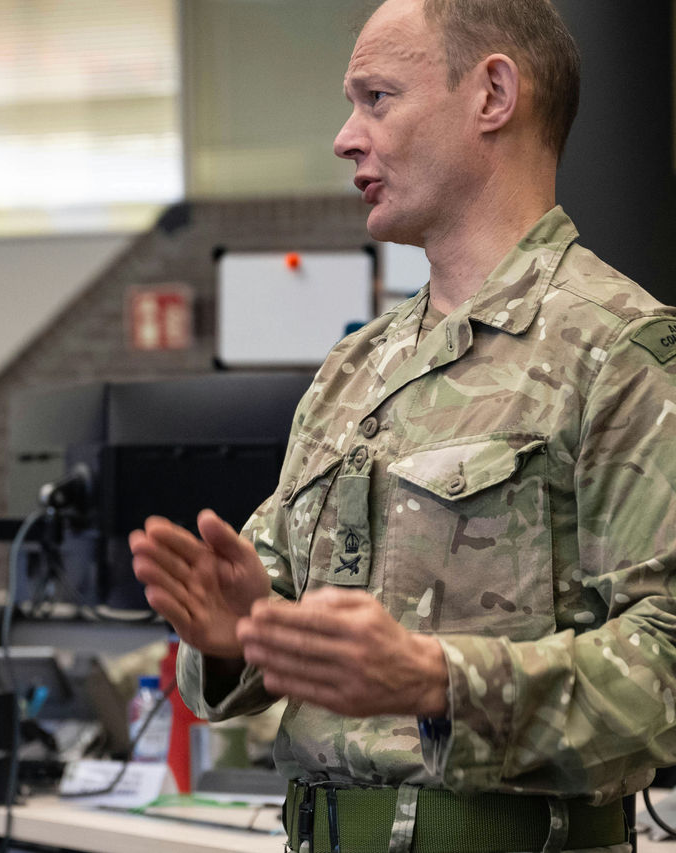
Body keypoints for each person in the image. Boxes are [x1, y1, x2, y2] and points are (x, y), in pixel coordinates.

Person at [130, 1, 676, 850]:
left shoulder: (619, 347)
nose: (347, 137)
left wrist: (440, 680)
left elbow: (666, 664)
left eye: (377, 98)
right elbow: (256, 639)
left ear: (493, 93)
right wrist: (243, 633)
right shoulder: (352, 371)